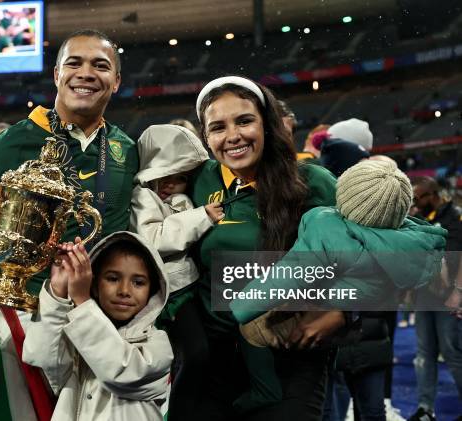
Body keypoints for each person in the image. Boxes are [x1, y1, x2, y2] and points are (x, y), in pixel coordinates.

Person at [187, 75, 345, 420]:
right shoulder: (196, 182)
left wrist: (342, 312)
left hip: (289, 358)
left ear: (268, 125)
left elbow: (376, 251)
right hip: (214, 364)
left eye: (244, 121)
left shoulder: (312, 181)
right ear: (205, 137)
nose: (233, 136)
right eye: (218, 127)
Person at [0, 29, 138, 284]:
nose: (86, 73)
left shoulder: (127, 150)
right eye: (74, 63)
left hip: (106, 313)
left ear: (116, 81)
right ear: (57, 75)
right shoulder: (8, 145)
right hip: (30, 314)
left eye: (100, 66)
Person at [232, 159, 446, 339]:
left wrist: (240, 307)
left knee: (254, 329)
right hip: (356, 320)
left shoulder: (330, 232)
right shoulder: (415, 239)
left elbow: (285, 278)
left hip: (313, 317)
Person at [23, 232, 173, 420]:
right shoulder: (77, 332)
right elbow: (43, 361)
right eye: (112, 278)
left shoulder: (159, 345)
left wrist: (83, 301)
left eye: (138, 282)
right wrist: (59, 292)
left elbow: (120, 371)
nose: (124, 291)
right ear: (93, 284)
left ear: (153, 291)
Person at [129, 124, 222, 419]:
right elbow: (152, 239)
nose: (169, 185)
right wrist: (200, 216)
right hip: (170, 293)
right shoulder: (142, 197)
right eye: (163, 177)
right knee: (194, 356)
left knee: (198, 357)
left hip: (189, 286)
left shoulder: (174, 199)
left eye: (179, 179)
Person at [408, 176, 462, 421]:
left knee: (452, 352)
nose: (416, 202)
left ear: (433, 194)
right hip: (424, 297)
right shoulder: (421, 219)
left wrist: (457, 293)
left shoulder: (456, 217)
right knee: (424, 353)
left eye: (419, 197)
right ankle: (425, 408)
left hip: (449, 297)